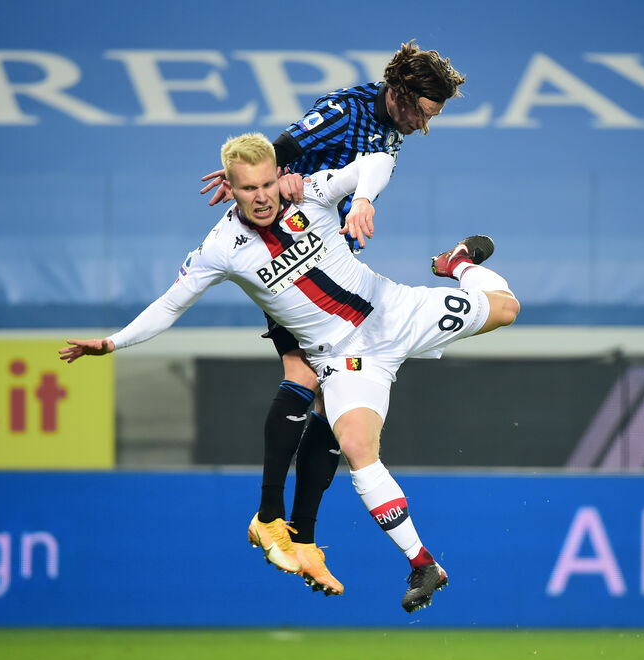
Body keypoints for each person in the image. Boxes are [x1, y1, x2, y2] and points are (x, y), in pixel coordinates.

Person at [60, 132, 518, 613]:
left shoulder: (311, 192)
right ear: (229, 190)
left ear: (277, 175)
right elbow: (170, 305)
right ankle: (423, 564)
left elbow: (378, 159)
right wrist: (113, 342)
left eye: (266, 184)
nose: (260, 197)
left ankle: (458, 262)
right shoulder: (221, 248)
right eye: (246, 189)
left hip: (394, 311)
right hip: (343, 358)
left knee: (507, 308)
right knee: (360, 449)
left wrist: (361, 199)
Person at [197, 41, 466, 595]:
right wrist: (264, 180)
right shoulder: (348, 109)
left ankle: (302, 536)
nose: (423, 126)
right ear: (398, 93)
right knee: (302, 376)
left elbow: (368, 167)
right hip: (287, 257)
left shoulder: (391, 128)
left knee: (329, 401)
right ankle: (271, 517)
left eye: (431, 118)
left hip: (327, 269)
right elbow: (286, 144)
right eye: (421, 112)